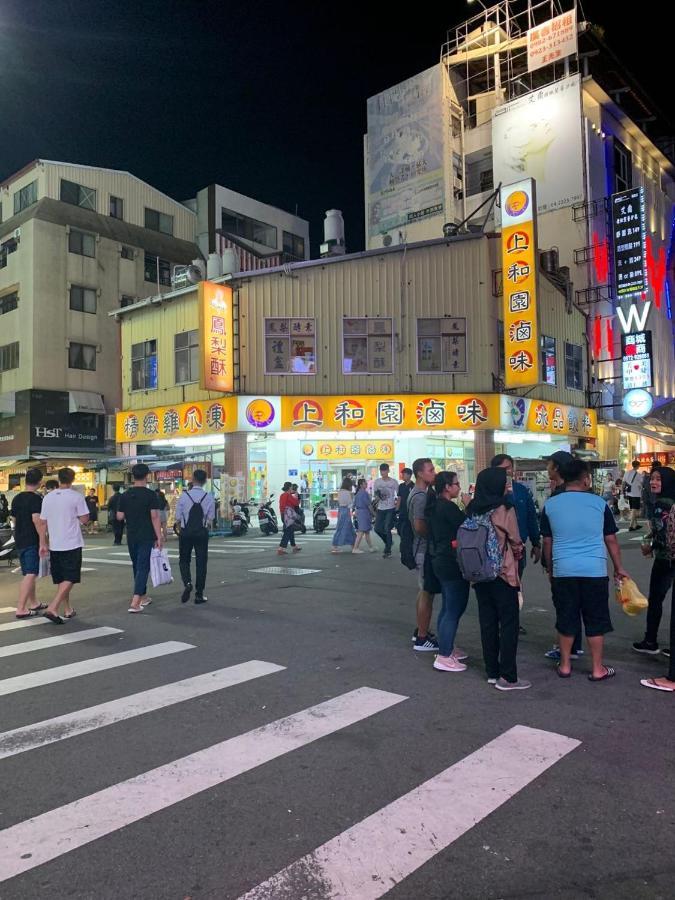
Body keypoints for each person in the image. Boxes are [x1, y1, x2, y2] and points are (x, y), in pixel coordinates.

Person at [541, 458, 629, 681]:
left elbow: (548, 543)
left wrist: (551, 570)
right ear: (585, 479)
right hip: (594, 571)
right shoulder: (599, 504)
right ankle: (597, 668)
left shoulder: (550, 505)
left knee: (566, 618)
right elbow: (611, 540)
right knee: (595, 620)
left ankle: (565, 665)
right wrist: (619, 568)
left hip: (564, 570)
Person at [466, 467, 527, 690]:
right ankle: (508, 676)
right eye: (504, 482)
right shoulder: (504, 508)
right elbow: (516, 541)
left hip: (479, 574)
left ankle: (492, 671)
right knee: (509, 624)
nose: (506, 485)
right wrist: (518, 553)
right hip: (502, 574)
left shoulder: (472, 508)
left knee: (488, 623)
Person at [491, 454, 541, 637]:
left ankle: (512, 622)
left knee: (515, 587)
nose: (507, 472)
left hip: (518, 550)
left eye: (509, 468)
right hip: (495, 551)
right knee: (497, 588)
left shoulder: (521, 490)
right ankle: (496, 621)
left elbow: (530, 517)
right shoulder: (489, 491)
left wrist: (536, 542)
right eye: (503, 469)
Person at [541, 451, 584, 662]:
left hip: (562, 558)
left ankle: (566, 649)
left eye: (549, 464)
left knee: (565, 605)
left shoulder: (559, 496)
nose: (546, 468)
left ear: (556, 467)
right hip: (584, 560)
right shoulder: (580, 494)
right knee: (575, 604)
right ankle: (575, 645)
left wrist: (548, 564)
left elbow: (548, 537)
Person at [427, 471, 469, 672]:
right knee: (453, 608)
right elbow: (467, 526)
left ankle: (447, 647)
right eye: (456, 483)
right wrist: (468, 505)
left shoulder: (435, 505)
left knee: (447, 607)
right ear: (446, 487)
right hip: (451, 562)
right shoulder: (448, 507)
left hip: (440, 559)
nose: (459, 487)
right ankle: (444, 655)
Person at [37, 467, 90, 624]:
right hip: (72, 542)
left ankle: (67, 609)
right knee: (71, 577)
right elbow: (85, 519)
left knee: (62, 579)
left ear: (59, 479)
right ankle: (53, 607)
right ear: (72, 480)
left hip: (55, 544)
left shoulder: (48, 498)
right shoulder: (76, 497)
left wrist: (42, 543)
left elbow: (42, 523)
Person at [633, 466, 675, 657]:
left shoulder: (662, 504)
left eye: (658, 479)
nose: (653, 482)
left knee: (656, 599)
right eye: (652, 478)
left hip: (666, 560)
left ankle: (650, 641)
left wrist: (649, 547)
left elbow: (663, 535)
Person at [117, 463, 162, 613]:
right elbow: (154, 516)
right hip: (146, 534)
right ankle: (136, 601)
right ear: (147, 475)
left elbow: (119, 516)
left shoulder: (125, 495)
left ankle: (142, 596)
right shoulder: (151, 495)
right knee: (143, 567)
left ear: (132, 476)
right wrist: (159, 536)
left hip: (131, 534)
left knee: (137, 565)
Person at [409, 457, 438, 652]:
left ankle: (421, 629)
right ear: (420, 473)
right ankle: (421, 637)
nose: (433, 472)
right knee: (427, 592)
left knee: (423, 591)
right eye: (430, 469)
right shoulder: (420, 496)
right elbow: (419, 525)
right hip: (423, 548)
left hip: (420, 548)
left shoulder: (420, 492)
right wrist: (435, 535)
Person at [10, 467, 47, 619]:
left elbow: (13, 519)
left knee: (27, 572)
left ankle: (33, 602)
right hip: (32, 539)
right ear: (40, 482)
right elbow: (37, 520)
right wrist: (43, 541)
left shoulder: (17, 498)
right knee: (31, 573)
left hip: (20, 539)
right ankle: (21, 608)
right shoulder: (36, 499)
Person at [175, 469, 216, 605]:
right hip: (201, 533)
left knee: (184, 560)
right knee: (201, 563)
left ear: (192, 479)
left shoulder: (184, 496)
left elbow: (177, 518)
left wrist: (182, 526)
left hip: (186, 532)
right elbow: (211, 518)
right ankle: (199, 594)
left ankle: (187, 582)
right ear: (205, 481)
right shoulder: (209, 497)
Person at [373, 463, 398, 559]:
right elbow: (376, 494)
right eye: (381, 471)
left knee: (387, 528)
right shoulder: (377, 482)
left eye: (384, 470)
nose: (383, 472)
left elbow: (398, 495)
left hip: (390, 508)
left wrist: (397, 507)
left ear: (388, 471)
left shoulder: (393, 482)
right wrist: (377, 497)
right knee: (377, 528)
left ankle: (387, 551)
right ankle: (388, 542)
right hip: (380, 508)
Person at [331, 477, 356, 554]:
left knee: (341, 527)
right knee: (348, 528)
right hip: (346, 511)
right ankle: (352, 545)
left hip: (341, 510)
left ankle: (352, 545)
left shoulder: (340, 492)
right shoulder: (347, 493)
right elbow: (350, 503)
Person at [352, 479, 377, 553]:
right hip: (364, 513)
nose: (366, 484)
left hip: (360, 512)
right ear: (361, 485)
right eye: (365, 483)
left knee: (366, 531)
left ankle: (371, 547)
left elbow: (354, 505)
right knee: (361, 531)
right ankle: (355, 548)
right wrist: (374, 514)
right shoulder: (364, 493)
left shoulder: (358, 493)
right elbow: (369, 505)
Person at [278, 482, 301, 555]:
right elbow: (296, 503)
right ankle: (281, 548)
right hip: (288, 516)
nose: (292, 488)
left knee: (290, 530)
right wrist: (297, 496)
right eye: (291, 487)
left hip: (283, 515)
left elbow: (281, 505)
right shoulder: (288, 495)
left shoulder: (282, 495)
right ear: (289, 488)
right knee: (287, 532)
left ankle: (294, 546)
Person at [623, 459, 644, 531]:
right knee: (634, 510)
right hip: (636, 494)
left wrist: (623, 492)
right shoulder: (639, 475)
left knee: (633, 509)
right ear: (638, 466)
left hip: (629, 493)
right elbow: (642, 484)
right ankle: (631, 526)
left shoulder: (627, 473)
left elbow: (623, 482)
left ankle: (636, 524)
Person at [642, 460, 660, 525]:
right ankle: (656, 531)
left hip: (649, 499)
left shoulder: (647, 477)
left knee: (649, 517)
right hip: (658, 499)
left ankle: (651, 532)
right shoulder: (661, 476)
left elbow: (644, 487)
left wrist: (645, 499)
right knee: (658, 516)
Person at [395, 467, 414, 532]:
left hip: (410, 511)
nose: (402, 476)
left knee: (408, 529)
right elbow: (399, 498)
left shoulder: (413, 486)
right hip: (402, 511)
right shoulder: (401, 486)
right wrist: (397, 509)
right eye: (402, 474)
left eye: (404, 474)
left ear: (409, 475)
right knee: (399, 528)